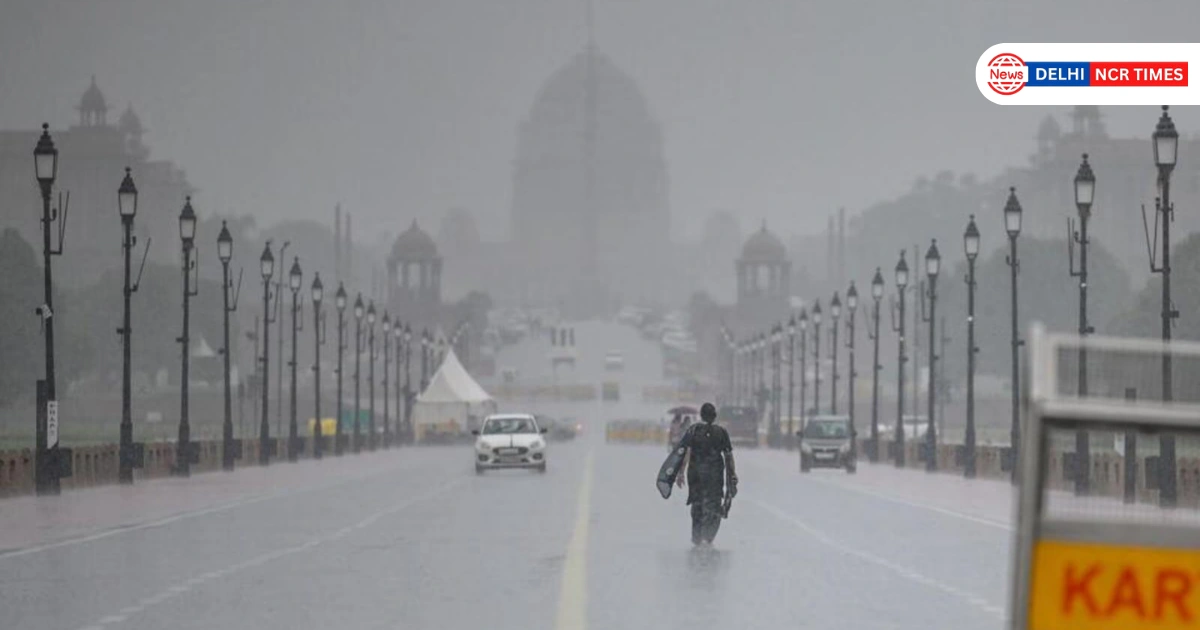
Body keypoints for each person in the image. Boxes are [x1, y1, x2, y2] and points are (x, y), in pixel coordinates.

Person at [675, 402, 737, 546]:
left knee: (697, 504)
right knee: (714, 505)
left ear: (701, 415)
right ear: (714, 416)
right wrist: (732, 474)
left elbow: (687, 453)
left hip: (696, 474)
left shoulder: (694, 430)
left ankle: (697, 536)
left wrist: (681, 472)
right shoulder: (721, 432)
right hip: (715, 475)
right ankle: (708, 537)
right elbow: (728, 456)